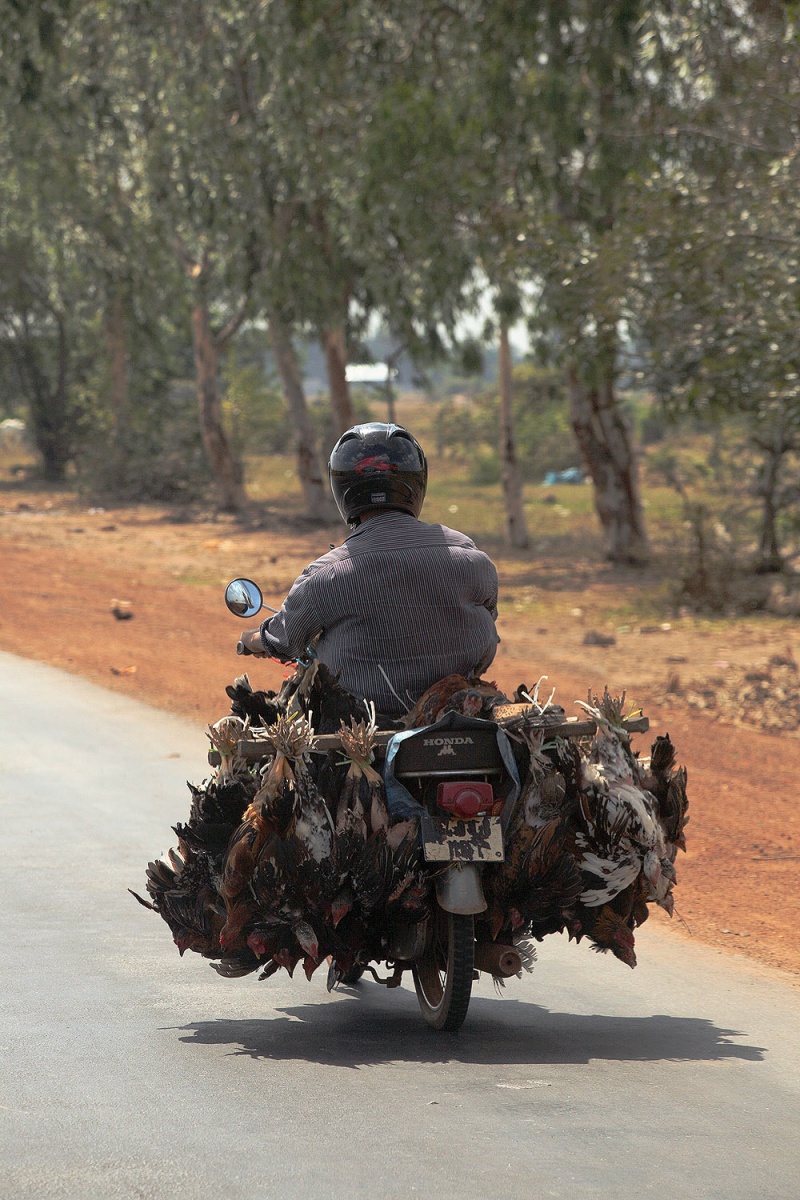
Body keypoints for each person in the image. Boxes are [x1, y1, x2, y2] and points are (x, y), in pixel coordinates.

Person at [239, 421, 499, 719]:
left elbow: (284, 642)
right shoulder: (472, 558)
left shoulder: (327, 575)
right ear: (416, 483)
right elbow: (489, 618)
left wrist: (251, 639)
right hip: (464, 715)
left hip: (361, 726)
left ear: (343, 489)